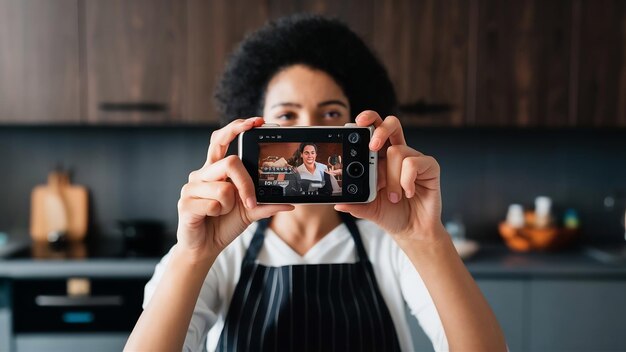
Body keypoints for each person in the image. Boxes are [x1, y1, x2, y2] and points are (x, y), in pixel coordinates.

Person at [125, 14, 507, 352]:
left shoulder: (391, 245)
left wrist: (425, 237)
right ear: (255, 128)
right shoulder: (219, 251)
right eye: (287, 115)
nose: (311, 132)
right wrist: (193, 255)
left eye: (330, 113)